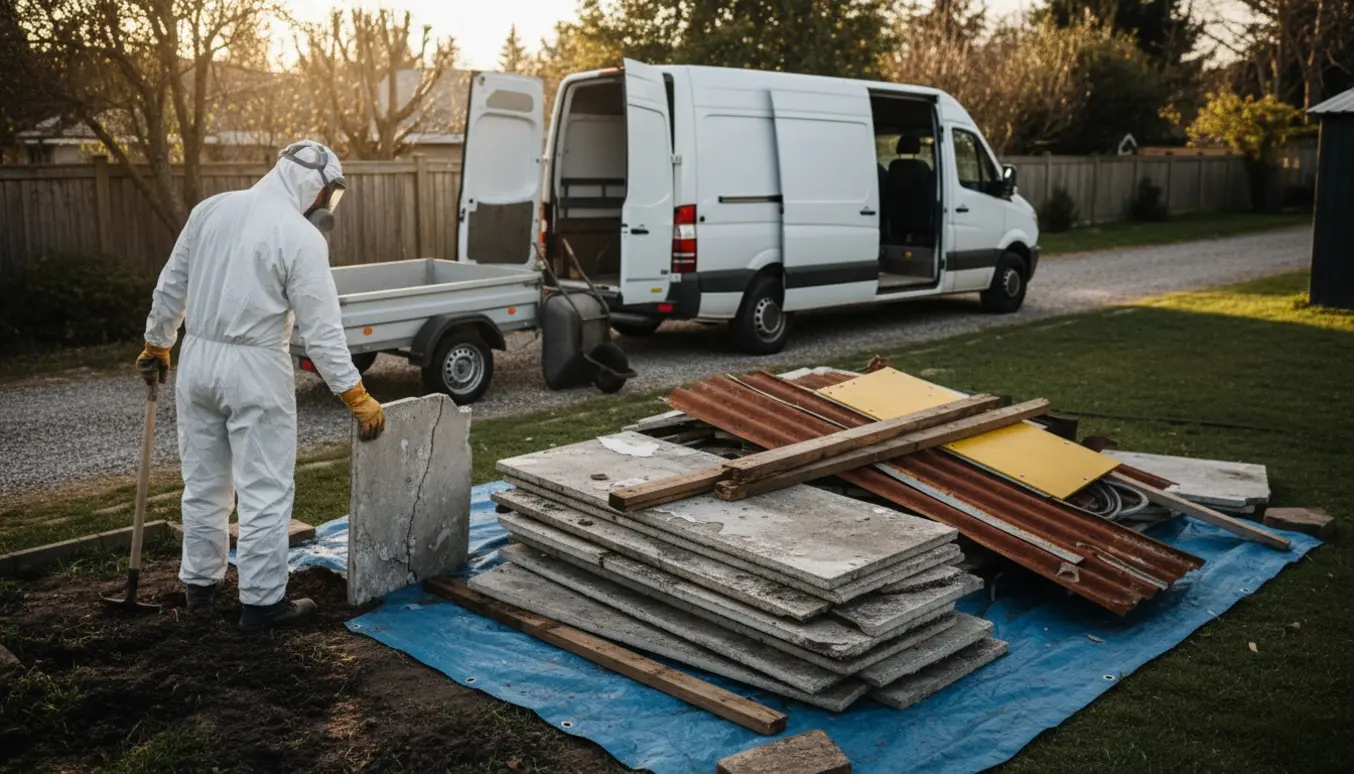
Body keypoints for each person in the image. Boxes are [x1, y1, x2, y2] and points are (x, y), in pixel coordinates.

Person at [135, 140, 386, 633]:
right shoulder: (301, 237)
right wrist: (353, 392)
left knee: (205, 485)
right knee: (265, 488)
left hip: (198, 361)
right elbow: (322, 329)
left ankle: (201, 589)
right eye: (327, 195)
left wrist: (158, 342)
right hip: (255, 368)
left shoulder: (211, 210)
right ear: (314, 186)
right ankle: (263, 604)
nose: (324, 207)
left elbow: (172, 283)